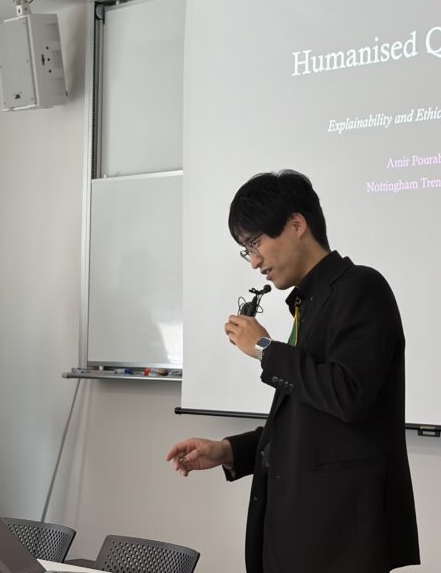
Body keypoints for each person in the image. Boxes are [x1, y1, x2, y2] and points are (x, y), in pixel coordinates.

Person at [166, 170, 419, 573]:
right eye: (246, 250)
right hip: (300, 536)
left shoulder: (362, 288)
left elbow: (348, 396)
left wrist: (266, 350)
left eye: (255, 243)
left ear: (297, 225)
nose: (254, 261)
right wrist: (229, 451)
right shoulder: (308, 303)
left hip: (339, 543)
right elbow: (309, 423)